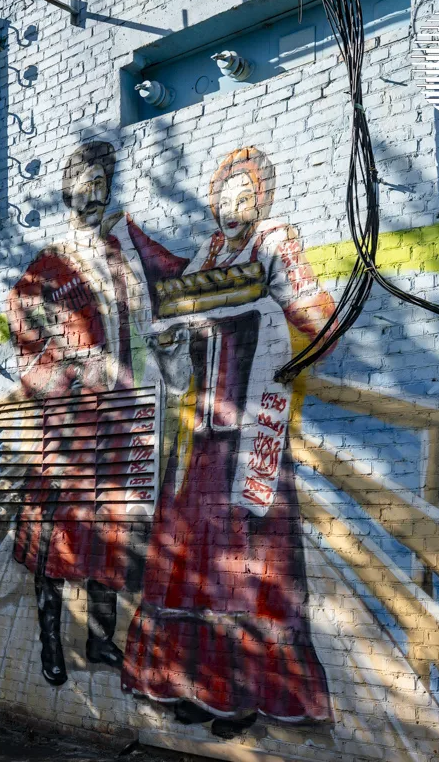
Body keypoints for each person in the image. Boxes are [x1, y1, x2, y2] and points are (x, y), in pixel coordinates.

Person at [122, 147, 337, 737]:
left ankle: (242, 695)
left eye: (246, 196)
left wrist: (268, 304)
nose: (233, 207)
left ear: (261, 202)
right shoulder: (207, 258)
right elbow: (176, 363)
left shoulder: (273, 246)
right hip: (201, 443)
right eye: (225, 197)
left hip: (251, 437)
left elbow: (317, 319)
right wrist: (169, 342)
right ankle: (196, 685)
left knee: (245, 572)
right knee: (191, 564)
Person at [4, 141, 186, 686]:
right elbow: (23, 338)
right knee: (55, 539)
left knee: (110, 533)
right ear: (67, 191)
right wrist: (70, 371)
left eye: (101, 184)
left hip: (122, 420)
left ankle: (101, 641)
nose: (92, 194)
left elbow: (169, 285)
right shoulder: (49, 266)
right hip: (70, 427)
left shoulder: (120, 253)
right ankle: (51, 644)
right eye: (83, 183)